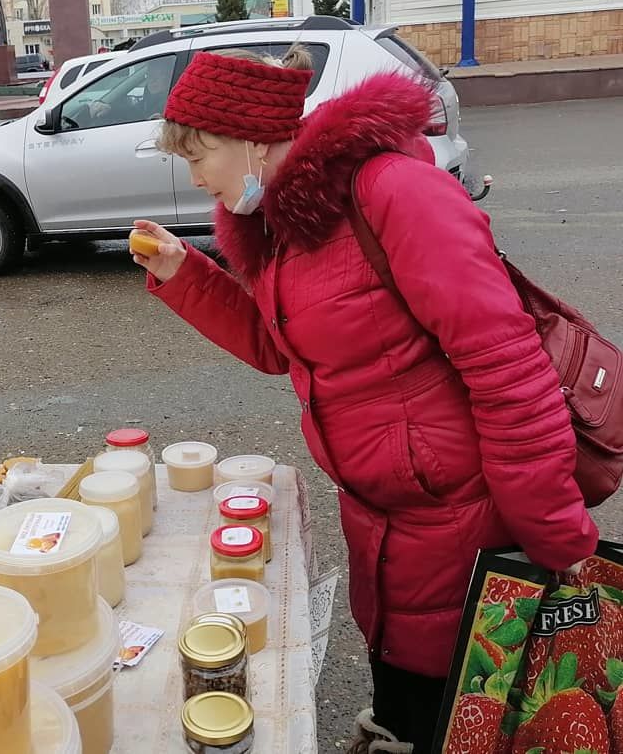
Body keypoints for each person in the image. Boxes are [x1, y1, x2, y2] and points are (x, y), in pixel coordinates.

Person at [133, 48, 598, 752]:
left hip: (463, 516)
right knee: (401, 674)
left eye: (200, 154)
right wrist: (184, 272)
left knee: (467, 700)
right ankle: (392, 731)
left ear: (256, 139)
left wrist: (555, 534)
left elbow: (510, 370)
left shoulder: (395, 195)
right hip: (386, 518)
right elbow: (275, 344)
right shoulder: (290, 221)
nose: (194, 176)